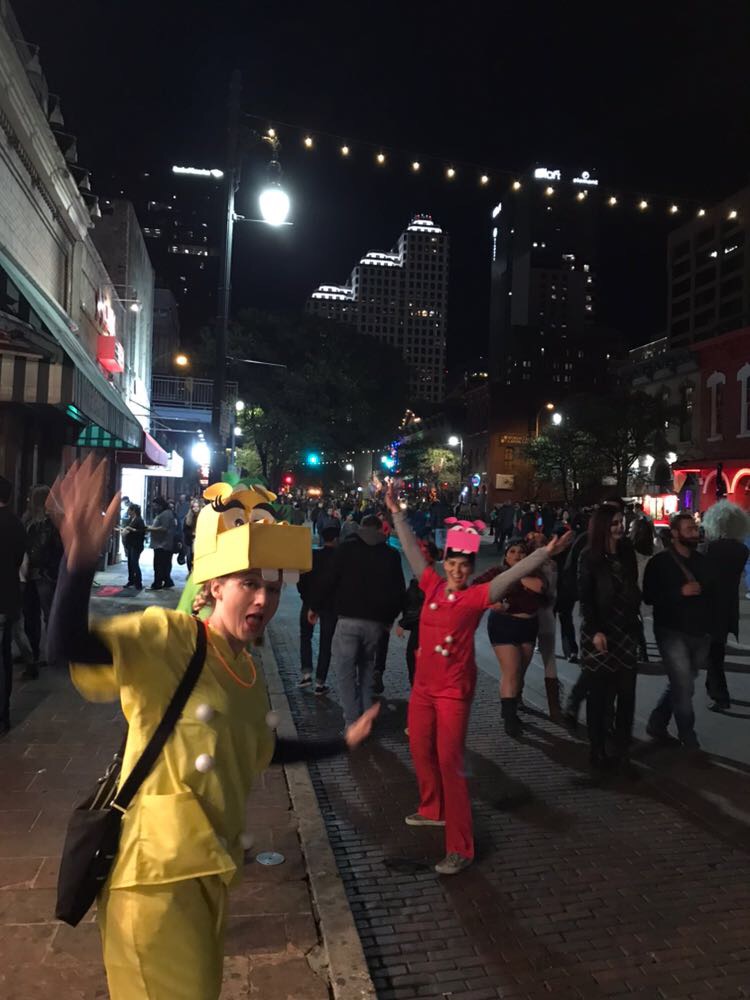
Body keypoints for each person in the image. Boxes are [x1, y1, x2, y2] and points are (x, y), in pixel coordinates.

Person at [46, 457, 377, 1000]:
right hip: (151, 879)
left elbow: (260, 748)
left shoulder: (247, 669)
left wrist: (340, 743)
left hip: (209, 873)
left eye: (273, 588)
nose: (264, 600)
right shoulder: (172, 637)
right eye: (249, 584)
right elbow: (67, 648)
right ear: (216, 586)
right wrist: (77, 564)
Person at [385, 486, 572, 875]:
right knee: (419, 748)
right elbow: (411, 551)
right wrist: (397, 513)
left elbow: (511, 575)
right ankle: (432, 808)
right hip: (423, 690)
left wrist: (543, 554)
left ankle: (461, 847)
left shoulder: (476, 597)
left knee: (450, 762)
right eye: (452, 563)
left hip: (453, 692)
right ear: (445, 562)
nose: (457, 570)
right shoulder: (431, 584)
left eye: (464, 566)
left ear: (470, 570)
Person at [311, 514, 404, 725]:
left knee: (345, 673)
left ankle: (352, 721)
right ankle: (365, 717)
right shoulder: (390, 555)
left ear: (361, 528)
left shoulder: (346, 550)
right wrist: (389, 618)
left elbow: (329, 580)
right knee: (366, 669)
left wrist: (315, 606)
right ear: (380, 530)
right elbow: (398, 590)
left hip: (347, 620)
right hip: (375, 623)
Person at [578, 504, 641, 780]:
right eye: (614, 523)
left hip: (625, 631)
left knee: (627, 695)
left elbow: (632, 585)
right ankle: (597, 748)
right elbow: (586, 597)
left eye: (621, 522)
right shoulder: (589, 557)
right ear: (603, 526)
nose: (619, 527)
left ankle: (622, 750)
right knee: (599, 695)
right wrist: (595, 630)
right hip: (601, 631)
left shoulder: (626, 552)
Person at [643, 512, 714, 750]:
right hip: (671, 630)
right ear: (674, 534)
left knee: (684, 683)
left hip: (699, 631)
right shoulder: (660, 563)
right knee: (683, 684)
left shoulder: (701, 561)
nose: (694, 533)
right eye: (689, 529)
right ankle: (688, 735)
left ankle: (657, 721)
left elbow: (711, 593)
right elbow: (649, 597)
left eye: (695, 529)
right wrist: (679, 592)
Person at [475, 540, 546, 737]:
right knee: (511, 671)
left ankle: (513, 702)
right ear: (505, 555)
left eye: (521, 552)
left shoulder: (535, 574)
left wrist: (518, 573)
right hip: (504, 625)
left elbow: (541, 589)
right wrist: (491, 604)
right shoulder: (497, 572)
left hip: (529, 626)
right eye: (512, 551)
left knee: (520, 672)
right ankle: (509, 718)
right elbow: (475, 588)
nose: (516, 555)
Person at [701, 500, 750, 711]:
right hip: (728, 605)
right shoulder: (741, 550)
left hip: (710, 605)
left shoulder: (710, 548)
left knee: (712, 654)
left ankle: (720, 695)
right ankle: (712, 687)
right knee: (717, 650)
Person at [23, 484, 63, 665]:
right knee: (31, 615)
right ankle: (35, 652)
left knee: (48, 616)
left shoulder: (52, 523)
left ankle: (51, 654)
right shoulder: (29, 520)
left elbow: (58, 550)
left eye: (31, 498)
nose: (27, 500)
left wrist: (49, 571)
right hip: (31, 574)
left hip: (43, 574)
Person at [299, 524, 340, 695]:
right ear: (336, 539)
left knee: (305, 637)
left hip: (309, 603)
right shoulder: (339, 559)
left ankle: (306, 673)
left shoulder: (312, 556)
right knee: (326, 643)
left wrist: (307, 600)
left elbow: (301, 579)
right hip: (330, 606)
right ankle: (320, 682)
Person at [0, 475, 27, 734]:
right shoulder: (16, 524)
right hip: (8, 596)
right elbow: (18, 559)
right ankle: (3, 713)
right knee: (4, 655)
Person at [147, 496, 178, 590]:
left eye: (155, 505)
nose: (154, 507)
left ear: (160, 505)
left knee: (159, 565)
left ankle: (158, 583)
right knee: (164, 565)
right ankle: (167, 581)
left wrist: (150, 528)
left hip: (162, 544)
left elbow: (164, 528)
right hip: (162, 544)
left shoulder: (165, 514)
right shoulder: (165, 513)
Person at [121, 503, 146, 591]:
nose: (128, 511)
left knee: (134, 563)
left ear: (133, 511)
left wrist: (132, 529)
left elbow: (141, 531)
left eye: (129, 510)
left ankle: (138, 582)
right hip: (130, 544)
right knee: (130, 563)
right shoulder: (131, 519)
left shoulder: (139, 520)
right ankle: (131, 580)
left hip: (136, 545)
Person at [183, 497, 202, 573]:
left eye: (197, 506)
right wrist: (192, 533)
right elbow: (185, 529)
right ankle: (190, 570)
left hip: (200, 539)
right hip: (190, 540)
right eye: (194, 507)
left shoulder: (203, 516)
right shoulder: (188, 517)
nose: (196, 508)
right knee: (190, 556)